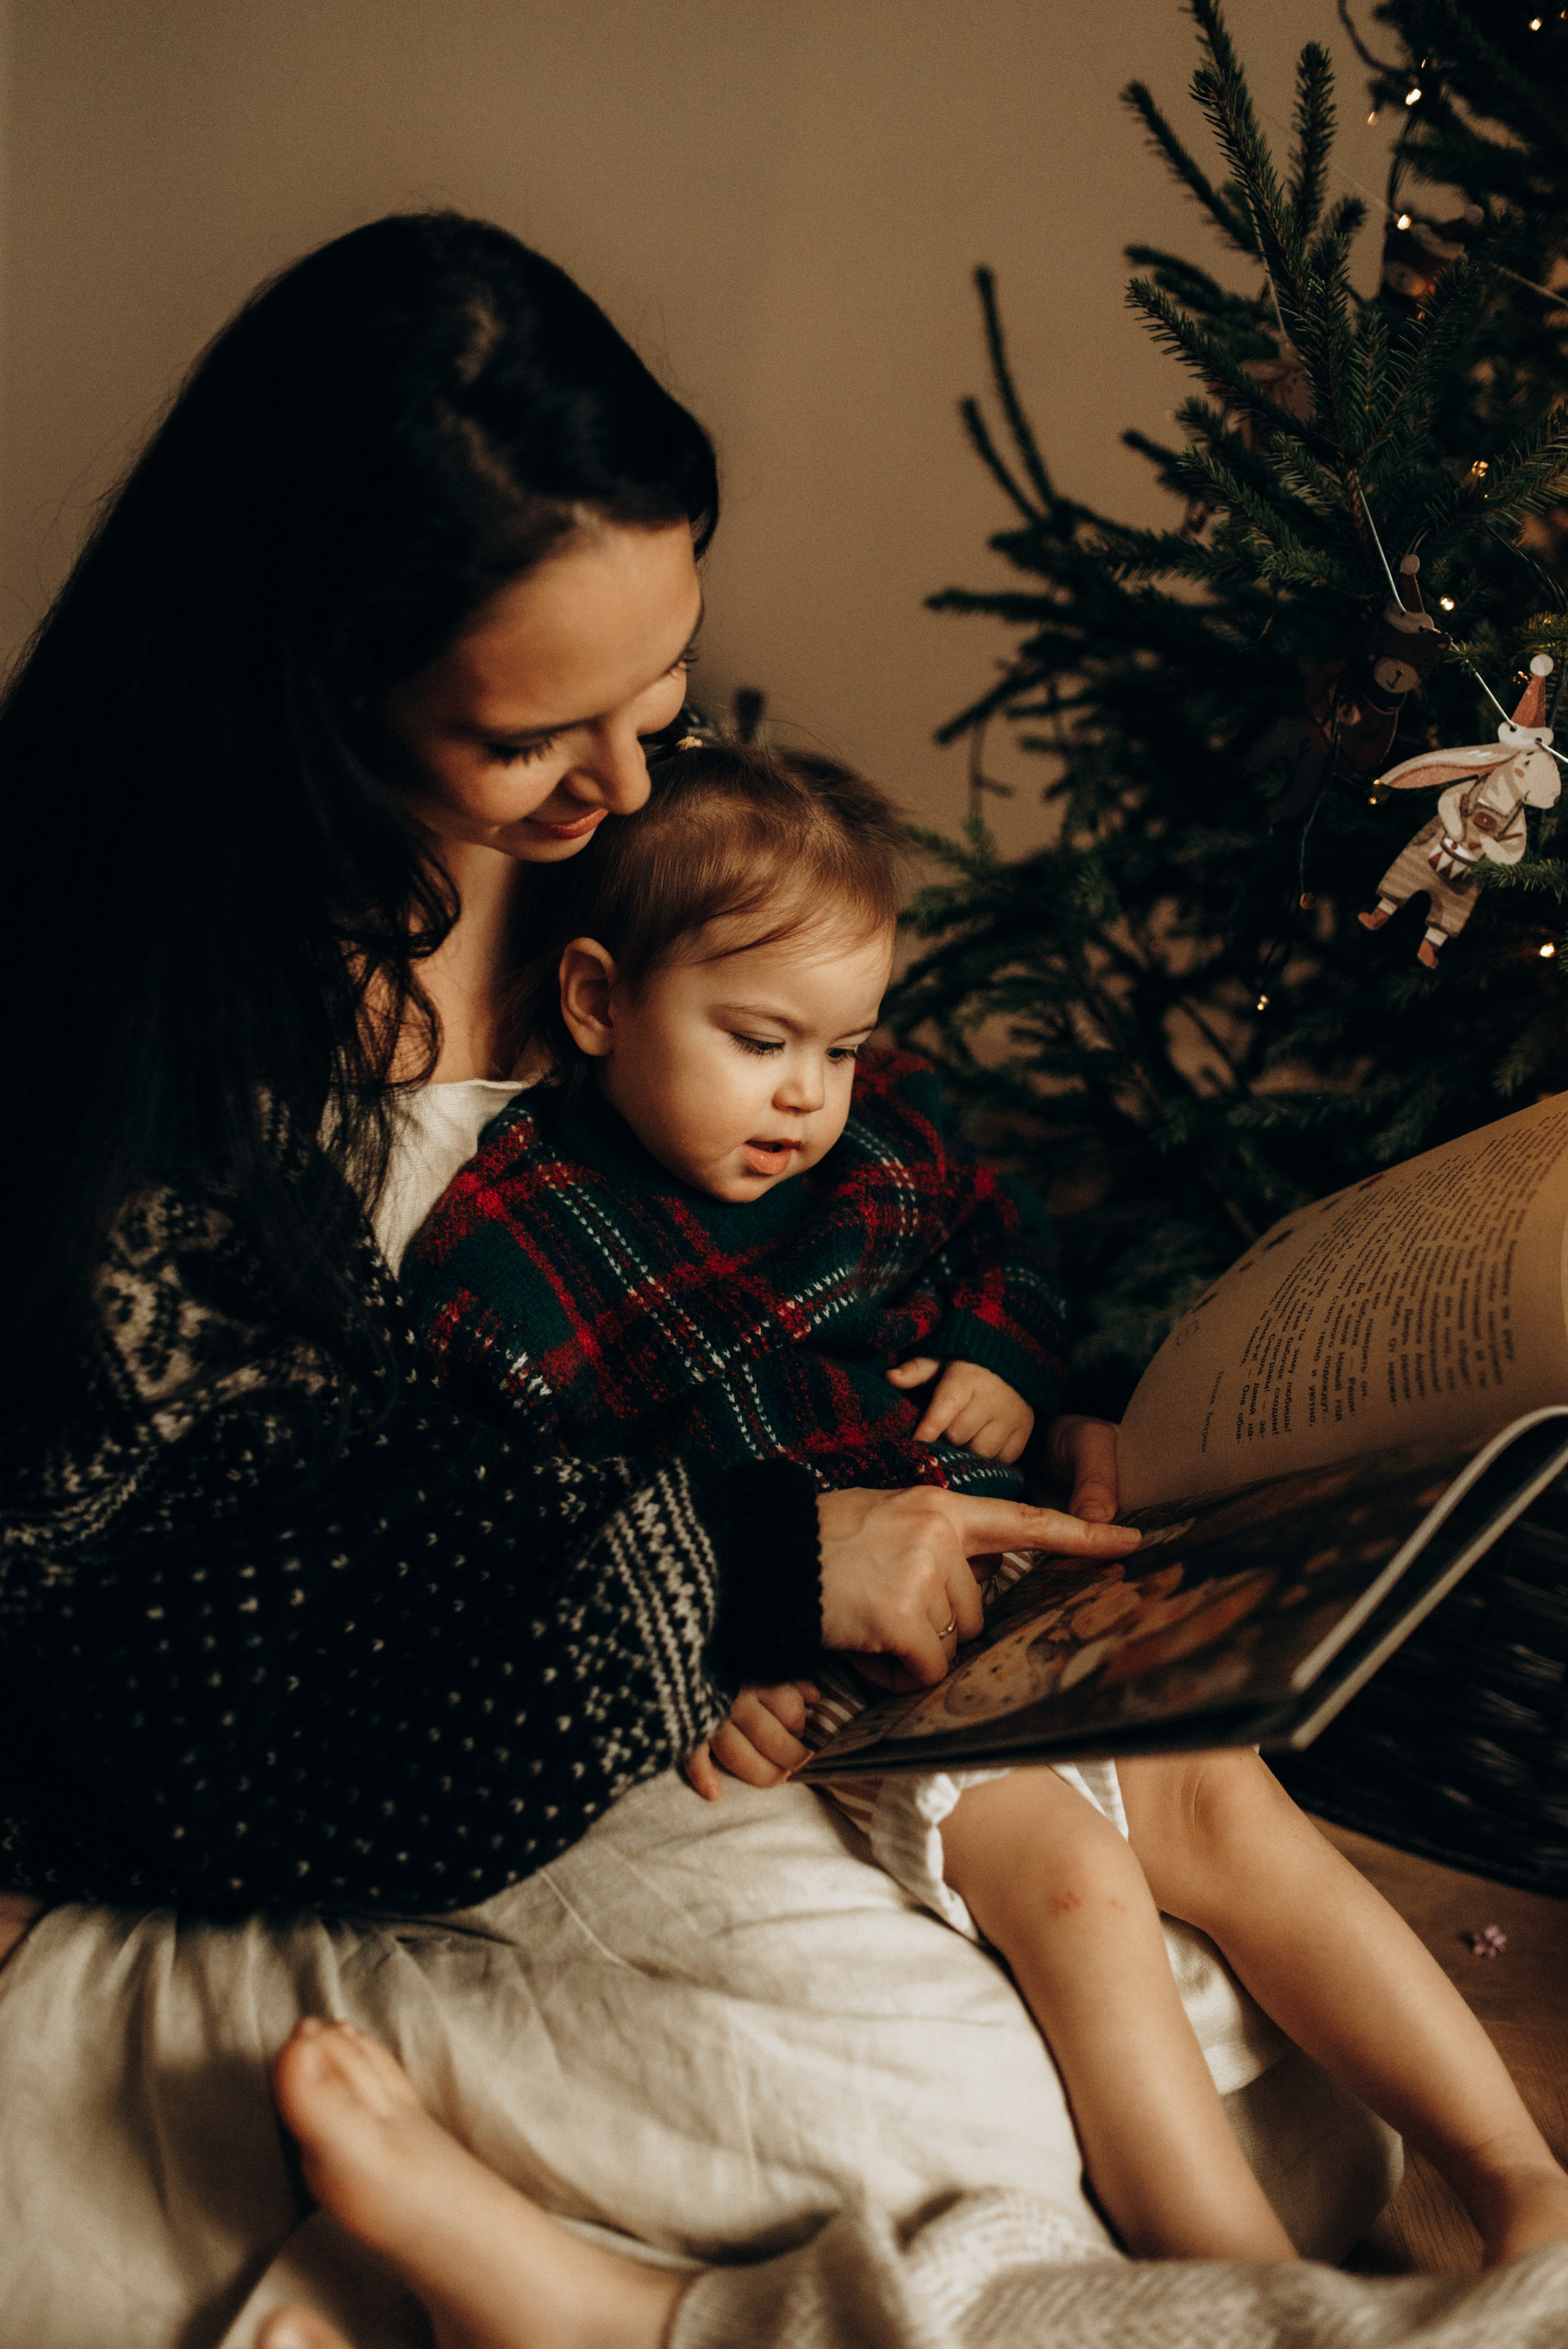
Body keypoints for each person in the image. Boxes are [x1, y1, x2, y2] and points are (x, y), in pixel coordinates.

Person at [0, 212, 1295, 2349]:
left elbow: (865, 1164)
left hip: (781, 1663)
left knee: (1176, 1958)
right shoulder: (127, 1036)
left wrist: (1005, 1374)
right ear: (308, 689)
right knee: (934, 2098)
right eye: (531, 749)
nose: (625, 791)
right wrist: (760, 1564)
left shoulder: (635, 841)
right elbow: (204, 1617)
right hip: (423, 1758)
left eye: (666, 705)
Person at [400, 742, 1568, 2270]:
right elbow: (521, 1527)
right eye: (759, 1043)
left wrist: (1011, 1359)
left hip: (1011, 1586)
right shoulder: (521, 1236)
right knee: (1073, 1886)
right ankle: (1246, 2282)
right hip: (856, 1680)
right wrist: (706, 1659)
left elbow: (998, 1242)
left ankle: (1506, 2172)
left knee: (1229, 1798)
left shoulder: (875, 1134)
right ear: (596, 1001)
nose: (806, 1096)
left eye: (841, 1045)